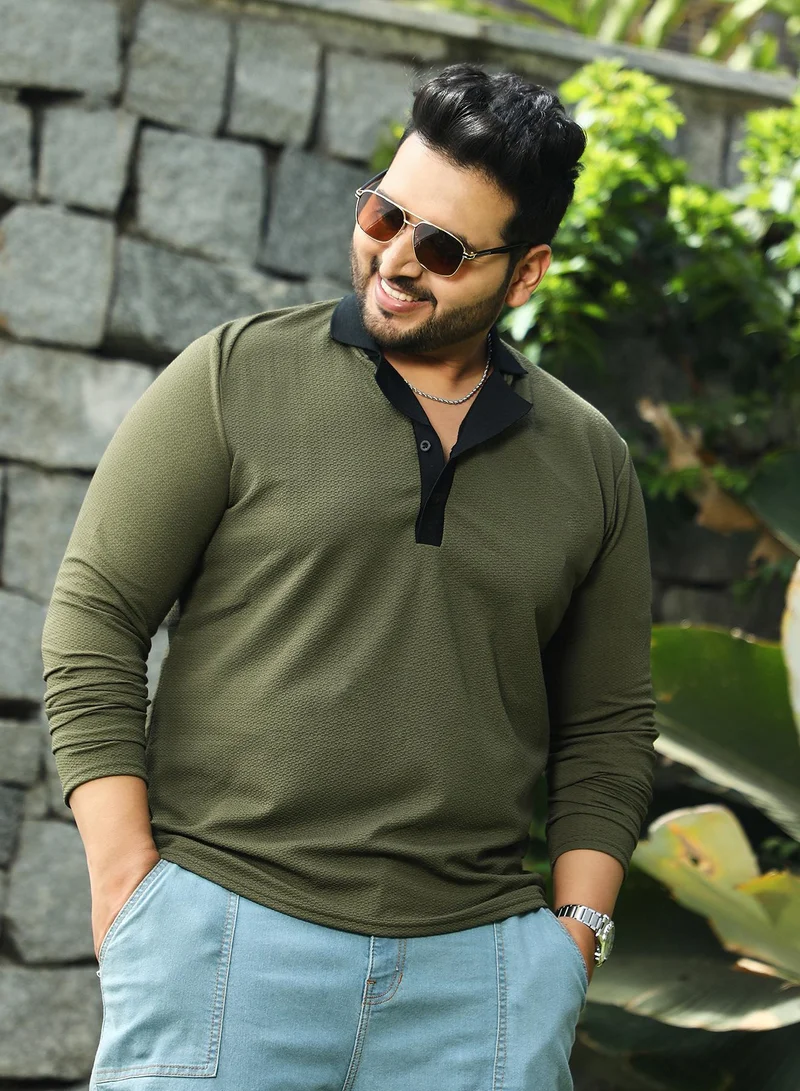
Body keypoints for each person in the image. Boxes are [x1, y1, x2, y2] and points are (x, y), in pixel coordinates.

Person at [41, 63, 658, 1091]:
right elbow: (94, 616)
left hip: (478, 990)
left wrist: (571, 940)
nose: (396, 259)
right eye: (385, 214)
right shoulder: (234, 375)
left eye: (443, 248)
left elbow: (608, 725)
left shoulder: (589, 461)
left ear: (525, 273)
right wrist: (128, 887)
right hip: (220, 945)